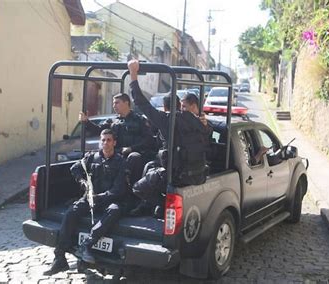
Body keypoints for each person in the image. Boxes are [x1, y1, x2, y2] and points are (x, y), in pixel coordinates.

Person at [127, 59, 211, 217]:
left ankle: (163, 205)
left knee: (138, 188)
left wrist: (133, 74)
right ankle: (156, 208)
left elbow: (140, 102)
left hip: (177, 175)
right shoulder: (200, 122)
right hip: (197, 174)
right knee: (150, 166)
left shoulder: (167, 120)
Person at [44, 129, 128, 275]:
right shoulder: (92, 157)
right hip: (90, 198)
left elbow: (118, 189)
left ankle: (87, 244)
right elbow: (75, 168)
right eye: (103, 140)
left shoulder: (121, 162)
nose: (105, 143)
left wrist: (100, 197)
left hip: (108, 200)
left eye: (108, 140)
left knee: (115, 210)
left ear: (114, 142)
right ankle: (59, 257)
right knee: (71, 212)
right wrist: (83, 182)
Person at [79, 93, 156, 185]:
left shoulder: (139, 120)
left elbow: (149, 140)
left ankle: (130, 187)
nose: (114, 106)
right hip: (117, 154)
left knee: (134, 157)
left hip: (136, 155)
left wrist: (132, 148)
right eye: (113, 103)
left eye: (117, 103)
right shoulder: (113, 121)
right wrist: (86, 122)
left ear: (126, 103)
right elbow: (99, 130)